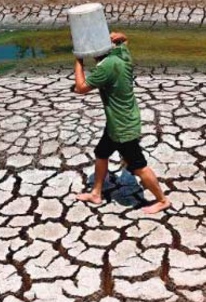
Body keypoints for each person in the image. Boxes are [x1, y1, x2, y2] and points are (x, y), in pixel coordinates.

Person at [73, 32, 171, 214]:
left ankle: (162, 200)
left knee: (138, 166)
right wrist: (121, 37)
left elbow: (80, 88)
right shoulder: (121, 55)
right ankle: (96, 193)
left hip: (122, 127)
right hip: (118, 122)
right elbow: (125, 41)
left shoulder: (107, 67)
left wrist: (78, 59)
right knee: (101, 153)